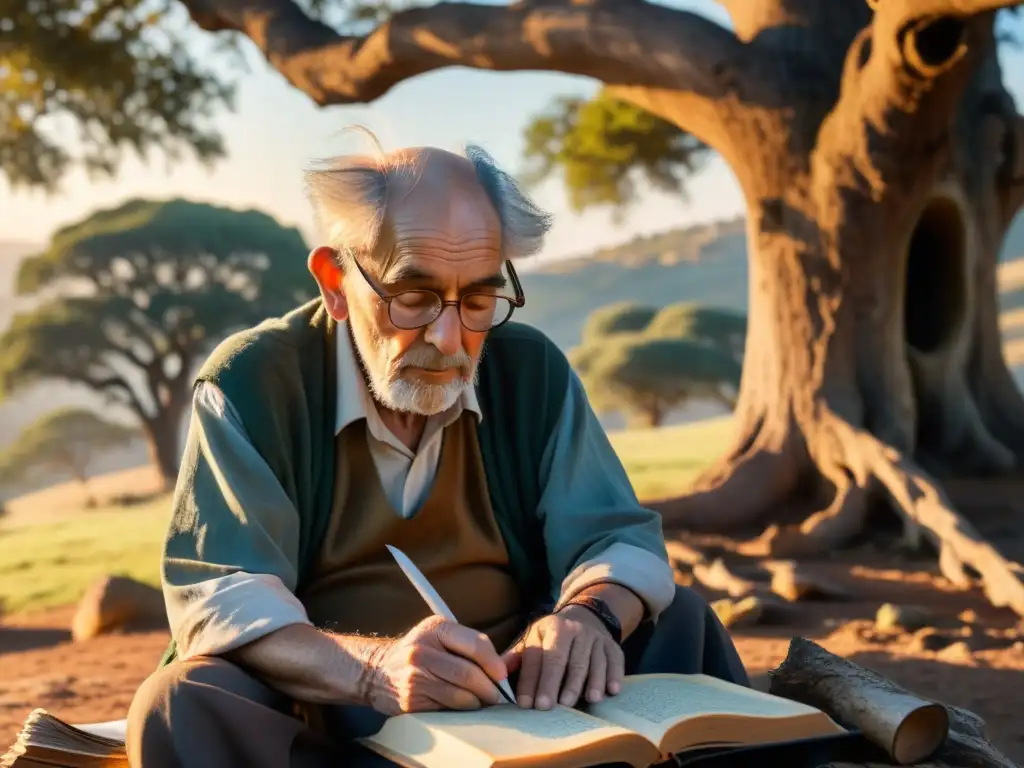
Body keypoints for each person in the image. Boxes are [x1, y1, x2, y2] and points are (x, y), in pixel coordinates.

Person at [126, 136, 749, 767]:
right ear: (335, 281)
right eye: (414, 297)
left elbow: (617, 538)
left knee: (678, 624)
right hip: (332, 718)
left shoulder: (529, 371)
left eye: (478, 299)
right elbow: (222, 595)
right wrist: (374, 672)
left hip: (528, 705)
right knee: (186, 701)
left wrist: (589, 619)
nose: (449, 338)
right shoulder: (254, 382)